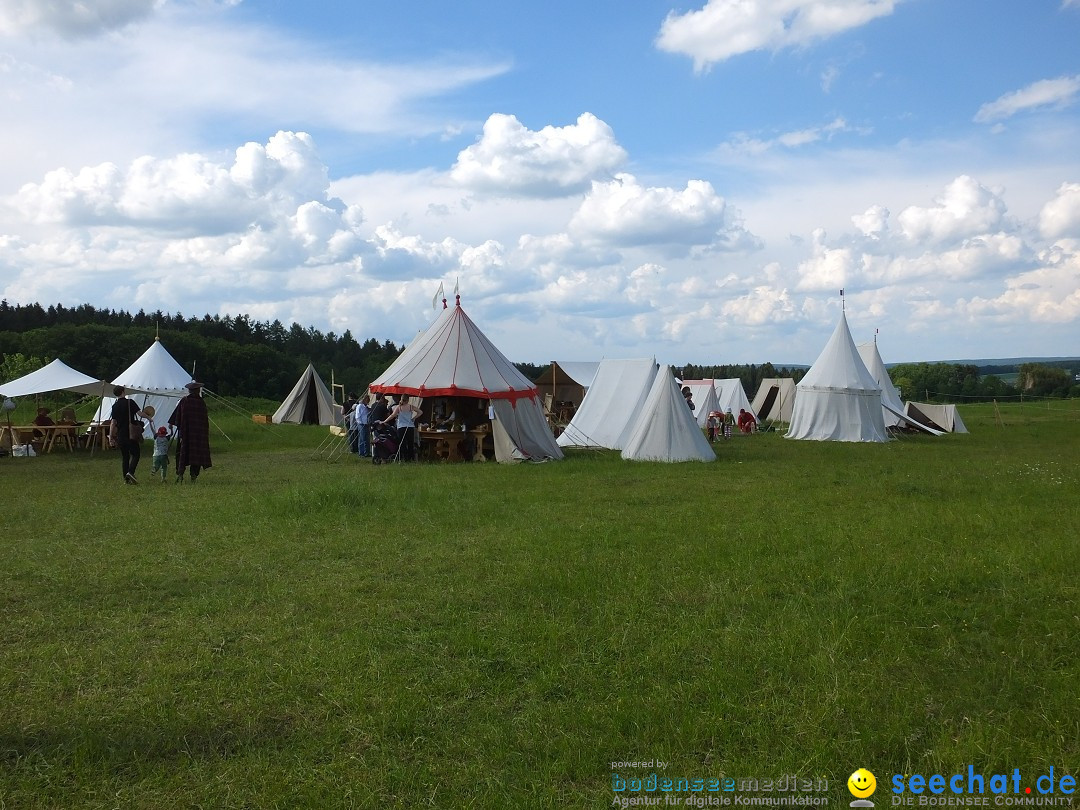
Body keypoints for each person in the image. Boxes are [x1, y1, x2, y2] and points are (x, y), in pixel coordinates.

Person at [168, 380, 212, 483]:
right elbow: (204, 420)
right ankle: (193, 476)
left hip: (185, 433)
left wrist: (173, 424)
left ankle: (180, 474)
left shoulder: (185, 401)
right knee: (195, 455)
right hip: (198, 435)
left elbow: (177, 416)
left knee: (182, 453)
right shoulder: (201, 402)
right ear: (197, 391)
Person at [109, 385, 142, 484]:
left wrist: (111, 437)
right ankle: (130, 472)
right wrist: (149, 417)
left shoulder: (114, 406)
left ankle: (126, 480)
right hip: (130, 434)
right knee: (136, 454)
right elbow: (140, 414)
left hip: (121, 435)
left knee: (125, 457)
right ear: (123, 392)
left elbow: (113, 422)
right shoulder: (130, 402)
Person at [381, 394, 422, 462]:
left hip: (401, 427)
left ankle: (404, 458)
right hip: (410, 426)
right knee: (410, 443)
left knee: (402, 443)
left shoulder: (399, 407)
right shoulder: (411, 407)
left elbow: (392, 415)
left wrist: (385, 421)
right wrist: (413, 418)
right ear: (408, 400)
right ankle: (410, 458)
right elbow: (420, 412)